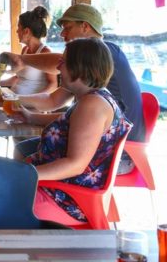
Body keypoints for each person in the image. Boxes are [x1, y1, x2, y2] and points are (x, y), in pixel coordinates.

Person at [0, 3, 144, 174]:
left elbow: (76, 163)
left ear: (85, 26)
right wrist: (14, 102)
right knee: (24, 150)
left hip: (118, 154)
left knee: (11, 170)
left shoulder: (103, 53)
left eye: (67, 28)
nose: (61, 34)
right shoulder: (87, 83)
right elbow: (54, 101)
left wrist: (22, 60)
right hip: (97, 144)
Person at [14, 38, 131, 226]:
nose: (58, 67)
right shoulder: (92, 98)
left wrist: (24, 174)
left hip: (65, 199)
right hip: (60, 189)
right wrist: (31, 117)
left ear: (80, 67)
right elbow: (69, 121)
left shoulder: (92, 106)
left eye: (64, 62)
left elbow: (75, 165)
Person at [0, 6, 57, 95]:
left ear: (26, 31)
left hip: (31, 105)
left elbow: (53, 84)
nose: (17, 31)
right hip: (15, 98)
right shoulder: (25, 49)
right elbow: (18, 78)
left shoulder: (45, 52)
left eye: (19, 27)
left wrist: (35, 99)